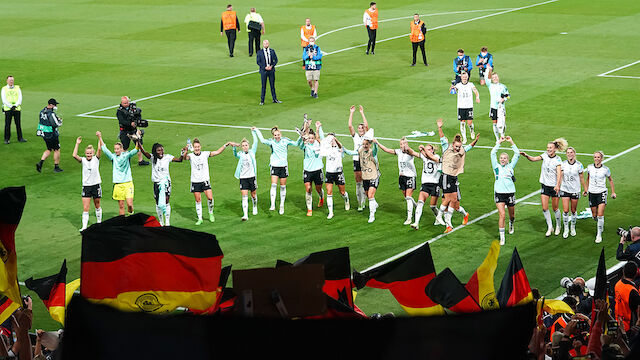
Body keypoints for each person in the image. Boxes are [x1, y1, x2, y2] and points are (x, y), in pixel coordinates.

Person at [423, 118, 479, 233]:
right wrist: (439, 127)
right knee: (448, 200)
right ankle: (447, 224)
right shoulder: (446, 148)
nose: (458, 148)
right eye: (456, 146)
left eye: (459, 147)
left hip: (453, 178)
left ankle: (461, 215)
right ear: (453, 144)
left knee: (455, 203)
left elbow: (469, 147)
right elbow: (442, 137)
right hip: (445, 177)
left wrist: (476, 140)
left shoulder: (461, 150)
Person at [521, 138, 567, 237]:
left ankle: (558, 226)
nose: (548, 149)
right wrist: (526, 156)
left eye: (550, 148)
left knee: (555, 208)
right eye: (547, 147)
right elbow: (533, 159)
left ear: (555, 149)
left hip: (554, 187)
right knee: (544, 208)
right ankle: (550, 227)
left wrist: (558, 185)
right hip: (545, 185)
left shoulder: (558, 160)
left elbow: (559, 174)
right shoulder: (545, 155)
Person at [183, 138, 231, 225]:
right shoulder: (191, 156)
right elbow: (184, 158)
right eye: (195, 147)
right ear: (193, 148)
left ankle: (211, 213)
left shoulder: (205, 154)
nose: (197, 148)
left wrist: (225, 145)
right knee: (198, 200)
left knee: (210, 198)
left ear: (200, 147)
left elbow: (217, 152)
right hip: (195, 181)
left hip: (205, 180)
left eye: (198, 146)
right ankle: (200, 218)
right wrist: (185, 150)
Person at [138, 142, 187, 226]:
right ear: (155, 151)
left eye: (162, 150)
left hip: (166, 182)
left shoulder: (167, 157)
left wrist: (183, 153)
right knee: (157, 203)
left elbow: (179, 160)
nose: (161, 152)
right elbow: (143, 152)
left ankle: (167, 222)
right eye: (159, 150)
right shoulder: (152, 158)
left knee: (166, 200)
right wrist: (137, 142)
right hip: (156, 183)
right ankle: (161, 221)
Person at [255, 126, 298, 214]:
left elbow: (296, 144)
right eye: (275, 135)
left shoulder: (285, 141)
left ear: (280, 134)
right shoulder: (271, 142)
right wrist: (256, 130)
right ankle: (273, 204)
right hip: (274, 165)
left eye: (278, 135)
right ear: (273, 135)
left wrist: (301, 137)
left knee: (283, 187)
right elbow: (262, 140)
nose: (277, 136)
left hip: (283, 166)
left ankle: (281, 205)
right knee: (273, 185)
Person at [376, 138, 419, 225]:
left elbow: (412, 151)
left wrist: (407, 147)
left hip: (410, 177)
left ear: (406, 144)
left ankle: (409, 218)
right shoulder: (399, 151)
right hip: (401, 177)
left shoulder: (410, 152)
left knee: (408, 197)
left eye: (403, 143)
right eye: (400, 144)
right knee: (406, 196)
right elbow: (387, 150)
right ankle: (416, 206)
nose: (401, 145)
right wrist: (377, 143)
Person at [97, 131, 139, 216]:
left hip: (128, 183)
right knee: (121, 206)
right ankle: (122, 223)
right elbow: (104, 148)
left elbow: (136, 150)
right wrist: (99, 137)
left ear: (121, 149)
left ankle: (131, 214)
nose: (116, 150)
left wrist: (137, 140)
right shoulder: (113, 157)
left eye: (117, 149)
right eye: (115, 149)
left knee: (130, 205)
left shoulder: (126, 155)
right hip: (118, 185)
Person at [490, 136, 520, 245]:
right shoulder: (496, 167)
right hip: (499, 194)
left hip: (510, 194)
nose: (502, 159)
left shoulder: (511, 166)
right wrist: (499, 142)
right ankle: (502, 237)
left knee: (511, 215)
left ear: (508, 160)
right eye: (501, 158)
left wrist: (511, 141)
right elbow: (492, 153)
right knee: (502, 214)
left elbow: (517, 153)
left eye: (504, 158)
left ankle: (511, 223)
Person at [71, 133, 103, 231]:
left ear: (93, 153)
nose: (89, 155)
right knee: (86, 207)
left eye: (90, 153)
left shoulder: (96, 159)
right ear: (85, 153)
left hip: (96, 185)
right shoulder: (83, 160)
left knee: (97, 205)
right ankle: (84, 226)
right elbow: (74, 155)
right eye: (87, 153)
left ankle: (99, 223)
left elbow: (100, 149)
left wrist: (99, 137)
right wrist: (77, 143)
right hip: (86, 186)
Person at [584, 151, 616, 243]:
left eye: (598, 157)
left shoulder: (606, 169)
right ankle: (600, 224)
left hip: (601, 192)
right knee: (594, 215)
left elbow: (610, 180)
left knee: (600, 214)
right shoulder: (589, 167)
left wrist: (613, 192)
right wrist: (586, 190)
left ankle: (599, 235)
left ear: (601, 159)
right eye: (595, 157)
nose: (596, 159)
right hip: (592, 193)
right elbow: (588, 178)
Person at [321, 133, 354, 219]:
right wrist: (318, 128)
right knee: (329, 192)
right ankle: (330, 212)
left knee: (342, 192)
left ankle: (346, 199)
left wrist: (335, 140)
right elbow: (321, 140)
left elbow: (340, 145)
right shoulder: (327, 149)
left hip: (338, 173)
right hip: (329, 172)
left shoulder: (340, 149)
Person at [411, 143, 442, 230]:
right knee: (420, 203)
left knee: (432, 206)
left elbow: (430, 157)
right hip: (425, 183)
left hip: (435, 184)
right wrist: (408, 148)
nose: (427, 151)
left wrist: (423, 149)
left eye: (429, 149)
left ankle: (439, 217)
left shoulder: (437, 157)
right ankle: (416, 223)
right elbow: (415, 154)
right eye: (426, 149)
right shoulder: (425, 156)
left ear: (432, 150)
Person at [297, 124, 325, 216]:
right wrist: (302, 139)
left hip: (317, 170)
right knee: (308, 189)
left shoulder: (318, 144)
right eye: (309, 138)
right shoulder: (305, 145)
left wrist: (318, 128)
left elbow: (322, 138)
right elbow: (299, 145)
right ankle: (309, 209)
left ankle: (321, 198)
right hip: (307, 170)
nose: (311, 139)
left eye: (312, 138)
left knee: (318, 189)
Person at [559, 147, 587, 239]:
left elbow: (582, 178)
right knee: (566, 210)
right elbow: (560, 176)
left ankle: (573, 227)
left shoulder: (579, 165)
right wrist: (557, 186)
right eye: (568, 152)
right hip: (565, 189)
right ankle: (566, 228)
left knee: (573, 210)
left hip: (575, 190)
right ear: (566, 154)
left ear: (574, 154)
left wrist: (585, 189)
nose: (569, 154)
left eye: (571, 152)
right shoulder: (563, 164)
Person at [347, 105, 370, 211]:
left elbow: (367, 126)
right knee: (358, 182)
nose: (361, 129)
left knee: (365, 181)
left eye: (362, 128)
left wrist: (362, 113)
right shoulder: (355, 136)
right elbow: (350, 126)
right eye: (359, 128)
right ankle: (360, 203)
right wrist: (351, 112)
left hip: (365, 160)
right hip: (357, 160)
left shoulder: (367, 137)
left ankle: (364, 200)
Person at [116, 96, 148, 166]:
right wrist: (130, 123)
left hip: (134, 130)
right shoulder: (119, 111)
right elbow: (122, 121)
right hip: (125, 131)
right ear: (121, 103)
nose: (126, 104)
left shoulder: (133, 108)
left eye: (127, 102)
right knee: (125, 147)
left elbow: (137, 116)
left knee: (139, 145)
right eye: (124, 103)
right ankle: (124, 160)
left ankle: (141, 160)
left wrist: (138, 120)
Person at [449, 72, 480, 144]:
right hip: (461, 106)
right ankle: (464, 138)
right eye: (463, 77)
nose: (465, 79)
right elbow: (452, 92)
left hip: (469, 106)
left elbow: (475, 91)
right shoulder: (458, 85)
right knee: (462, 123)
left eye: (466, 77)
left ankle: (472, 131)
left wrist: (477, 97)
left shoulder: (471, 84)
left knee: (469, 122)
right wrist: (451, 88)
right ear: (461, 78)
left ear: (467, 77)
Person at [235, 130, 259, 221]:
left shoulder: (252, 152)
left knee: (253, 194)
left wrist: (253, 132)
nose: (245, 147)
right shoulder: (240, 154)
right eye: (243, 145)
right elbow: (235, 154)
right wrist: (234, 148)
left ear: (248, 146)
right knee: (244, 196)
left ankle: (254, 206)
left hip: (252, 177)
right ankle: (245, 215)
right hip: (243, 178)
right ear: (241, 147)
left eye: (246, 145)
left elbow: (256, 142)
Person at [36, 98, 63, 173]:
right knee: (57, 149)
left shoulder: (42, 111)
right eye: (55, 105)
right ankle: (56, 167)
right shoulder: (51, 113)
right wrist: (60, 121)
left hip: (44, 133)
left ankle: (40, 163)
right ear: (51, 105)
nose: (55, 106)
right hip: (51, 134)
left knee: (49, 149)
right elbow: (56, 124)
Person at [614, 262, 640, 332]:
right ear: (636, 273)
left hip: (617, 322)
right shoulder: (633, 291)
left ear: (623, 271)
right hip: (628, 327)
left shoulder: (617, 284)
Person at [256, 39, 281, 105]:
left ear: (268, 44)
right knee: (263, 86)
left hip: (271, 71)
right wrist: (264, 67)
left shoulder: (272, 51)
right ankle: (262, 100)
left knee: (272, 85)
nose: (266, 44)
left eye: (267, 43)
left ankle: (275, 99)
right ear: (263, 44)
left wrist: (272, 66)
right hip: (263, 71)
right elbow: (258, 62)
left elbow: (276, 60)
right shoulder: (259, 52)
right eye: (265, 43)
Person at [486, 72, 510, 140]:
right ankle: (497, 138)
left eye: (496, 77)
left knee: (502, 122)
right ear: (492, 79)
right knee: (495, 123)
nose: (495, 79)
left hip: (501, 108)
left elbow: (508, 96)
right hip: (493, 107)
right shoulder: (490, 85)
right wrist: (489, 70)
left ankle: (502, 135)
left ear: (498, 77)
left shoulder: (503, 86)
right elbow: (487, 78)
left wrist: (503, 99)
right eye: (493, 78)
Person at [362, 138, 380, 223]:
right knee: (367, 194)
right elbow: (353, 153)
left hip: (374, 176)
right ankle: (374, 204)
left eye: (366, 144)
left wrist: (375, 144)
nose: (365, 146)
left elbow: (376, 150)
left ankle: (372, 215)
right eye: (364, 144)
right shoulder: (361, 152)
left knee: (370, 195)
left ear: (369, 145)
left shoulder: (373, 153)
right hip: (366, 176)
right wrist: (344, 150)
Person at [2, 76, 24, 144]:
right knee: (7, 124)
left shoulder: (17, 88)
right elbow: (4, 100)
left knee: (18, 124)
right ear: (7, 81)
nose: (11, 82)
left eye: (12, 80)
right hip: (8, 109)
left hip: (16, 108)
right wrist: (11, 106)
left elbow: (20, 98)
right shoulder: (4, 89)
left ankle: (20, 138)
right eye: (10, 80)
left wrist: (15, 105)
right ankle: (7, 139)